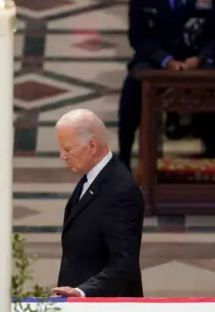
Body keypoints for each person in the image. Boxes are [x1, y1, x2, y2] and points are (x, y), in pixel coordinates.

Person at [117, 0, 215, 167]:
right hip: (156, 59)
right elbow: (138, 37)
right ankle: (124, 156)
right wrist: (166, 61)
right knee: (134, 84)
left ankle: (213, 153)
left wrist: (200, 58)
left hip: (196, 58)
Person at [52, 109, 145, 298]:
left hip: (105, 311)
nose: (62, 156)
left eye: (68, 149)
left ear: (92, 146)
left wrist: (82, 291)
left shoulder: (120, 191)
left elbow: (124, 264)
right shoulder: (94, 177)